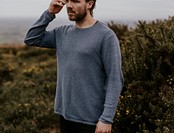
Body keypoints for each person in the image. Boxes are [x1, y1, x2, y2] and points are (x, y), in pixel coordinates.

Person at [24, 0, 123, 132]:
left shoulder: (106, 36)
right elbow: (31, 38)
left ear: (89, 4)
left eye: (76, 1)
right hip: (65, 117)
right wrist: (50, 12)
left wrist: (106, 119)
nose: (69, 6)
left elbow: (115, 79)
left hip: (92, 121)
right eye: (68, 1)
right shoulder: (61, 33)